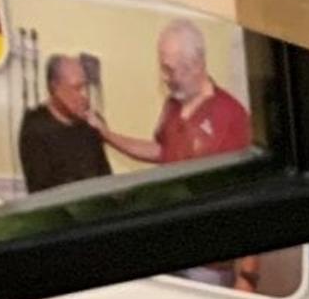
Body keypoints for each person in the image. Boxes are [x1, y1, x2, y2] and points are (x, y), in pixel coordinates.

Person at [92, 20, 253, 167]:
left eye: (170, 70)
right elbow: (162, 151)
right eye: (162, 69)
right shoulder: (173, 103)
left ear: (196, 65)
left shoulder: (230, 116)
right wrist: (107, 135)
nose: (163, 78)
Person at [15, 53, 116, 192]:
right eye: (77, 88)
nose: (85, 96)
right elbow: (41, 192)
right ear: (54, 87)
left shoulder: (91, 124)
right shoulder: (35, 127)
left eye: (86, 87)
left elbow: (105, 178)